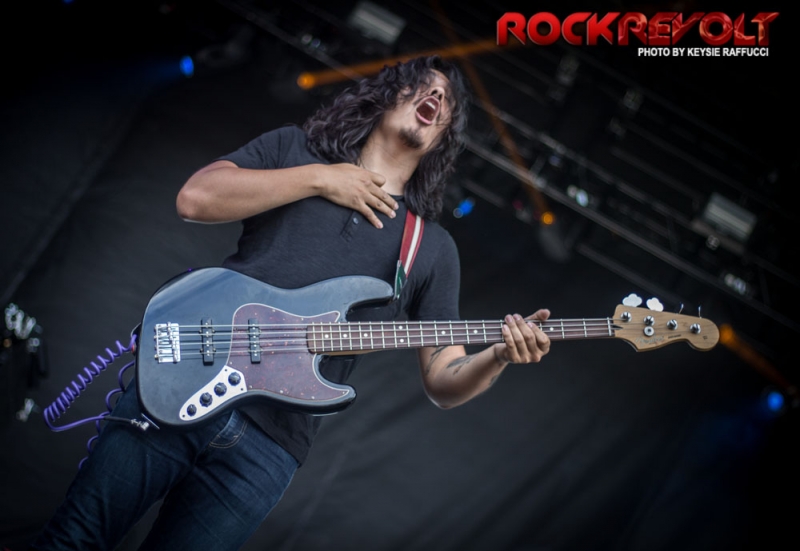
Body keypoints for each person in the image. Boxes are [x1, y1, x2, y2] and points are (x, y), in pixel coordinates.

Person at [31, 55, 551, 551]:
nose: (435, 96)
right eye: (423, 85)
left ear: (443, 134)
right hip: (183, 378)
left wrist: (498, 355)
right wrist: (322, 178)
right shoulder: (295, 150)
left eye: (447, 99)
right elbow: (195, 199)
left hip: (267, 451)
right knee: (75, 541)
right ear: (390, 95)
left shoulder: (430, 247)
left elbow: (443, 380)